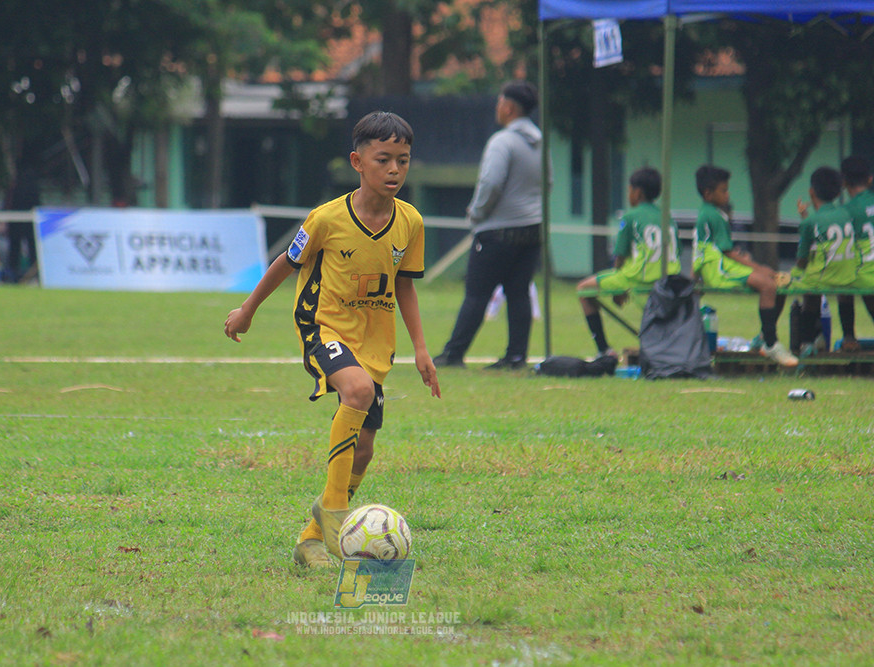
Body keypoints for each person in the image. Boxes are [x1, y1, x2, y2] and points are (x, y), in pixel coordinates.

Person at [224, 111, 441, 569]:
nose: (395, 170)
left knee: (364, 449)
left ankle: (310, 540)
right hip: (322, 324)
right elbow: (286, 262)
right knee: (356, 391)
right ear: (357, 162)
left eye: (403, 160)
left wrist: (421, 349)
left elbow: (405, 284)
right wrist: (247, 310)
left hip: (375, 341)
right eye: (383, 159)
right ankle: (337, 513)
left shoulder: (410, 222)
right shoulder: (326, 218)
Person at [433, 81, 548, 370]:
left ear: (508, 108)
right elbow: (548, 182)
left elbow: (491, 182)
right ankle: (516, 357)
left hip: (498, 231)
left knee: (477, 293)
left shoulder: (502, 142)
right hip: (532, 229)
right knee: (519, 293)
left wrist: (477, 212)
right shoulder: (540, 142)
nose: (498, 107)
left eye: (499, 102)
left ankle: (453, 354)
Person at [691, 165, 797, 367]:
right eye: (723, 190)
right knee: (768, 284)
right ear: (708, 193)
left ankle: (763, 337)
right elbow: (726, 252)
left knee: (777, 284)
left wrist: (694, 277)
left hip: (720, 266)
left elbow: (707, 249)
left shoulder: (710, 213)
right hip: (718, 270)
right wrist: (758, 268)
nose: (728, 194)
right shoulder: (713, 215)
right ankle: (771, 344)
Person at [576, 167, 680, 357]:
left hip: (640, 278)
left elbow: (620, 256)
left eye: (629, 190)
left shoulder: (630, 217)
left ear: (637, 192)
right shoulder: (668, 217)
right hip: (669, 280)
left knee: (583, 290)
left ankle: (604, 350)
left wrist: (618, 289)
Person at [791, 166, 856, 356]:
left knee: (809, 291)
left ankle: (807, 343)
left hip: (822, 277)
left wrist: (799, 270)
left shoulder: (809, 223)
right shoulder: (846, 214)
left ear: (811, 192)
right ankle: (849, 337)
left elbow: (802, 260)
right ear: (838, 192)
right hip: (847, 276)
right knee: (844, 290)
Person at [835, 155, 874, 350]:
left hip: (863, 274)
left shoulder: (845, 211)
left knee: (844, 280)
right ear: (870, 179)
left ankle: (849, 337)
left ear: (843, 182)